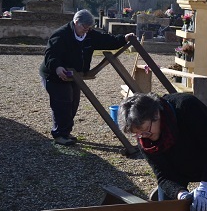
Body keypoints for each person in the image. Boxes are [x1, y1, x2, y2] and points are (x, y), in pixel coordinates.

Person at [39, 10, 136, 145]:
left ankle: (65, 132)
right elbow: (51, 54)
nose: (86, 30)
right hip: (54, 75)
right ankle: (59, 134)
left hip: (74, 75)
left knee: (73, 103)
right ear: (76, 22)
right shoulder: (61, 35)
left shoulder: (89, 35)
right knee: (63, 103)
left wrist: (124, 38)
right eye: (84, 26)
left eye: (89, 27)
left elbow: (106, 40)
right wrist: (57, 67)